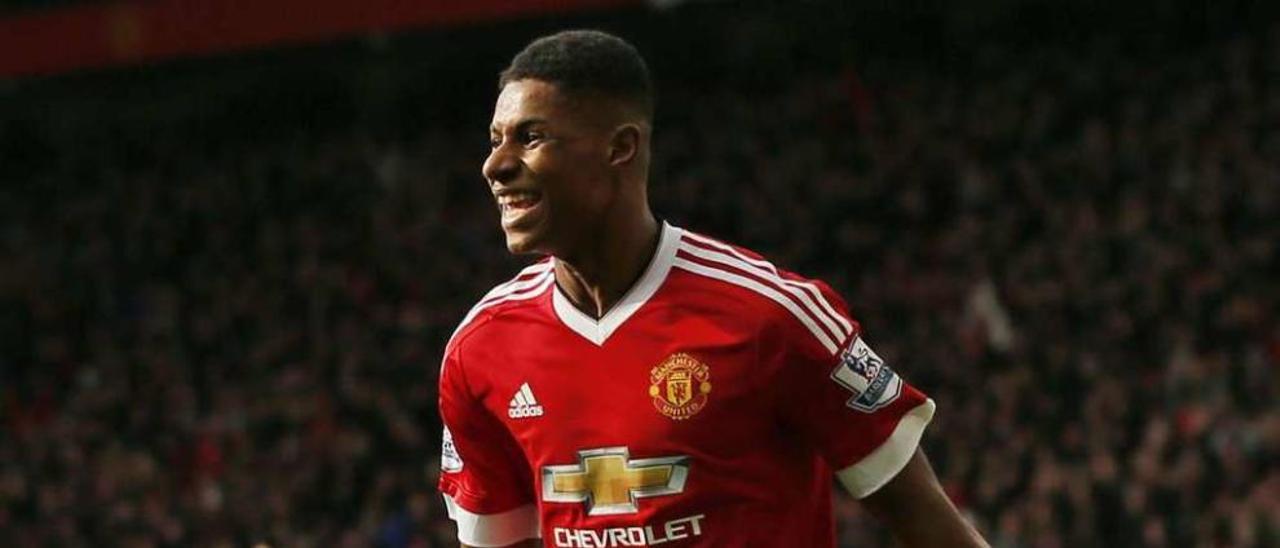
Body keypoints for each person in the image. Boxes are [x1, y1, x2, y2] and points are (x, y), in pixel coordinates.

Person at [437, 29, 989, 547]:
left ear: (620, 148)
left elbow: (925, 519)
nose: (496, 165)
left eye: (530, 137)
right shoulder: (480, 350)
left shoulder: (772, 316)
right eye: (495, 140)